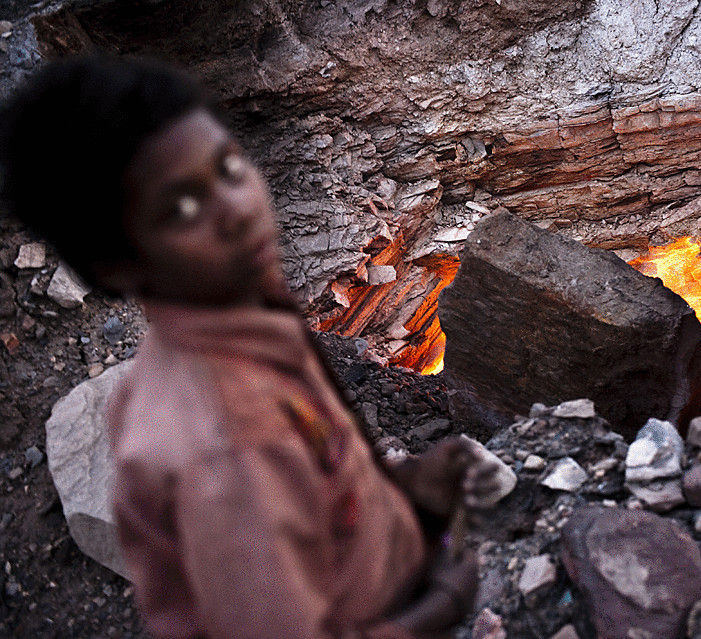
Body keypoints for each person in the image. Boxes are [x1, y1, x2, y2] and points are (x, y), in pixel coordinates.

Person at [0, 54, 497, 639]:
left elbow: (317, 505)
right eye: (183, 208)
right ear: (114, 264)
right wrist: (440, 604)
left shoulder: (245, 340)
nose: (236, 210)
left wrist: (414, 489)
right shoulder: (227, 450)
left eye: (230, 166)